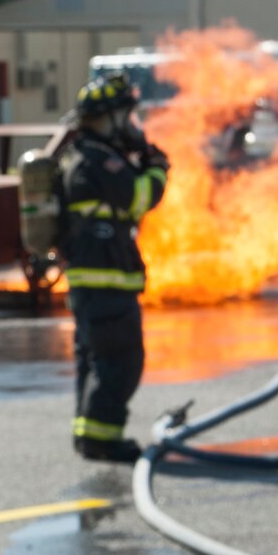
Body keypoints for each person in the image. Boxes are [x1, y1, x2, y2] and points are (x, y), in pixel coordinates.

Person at [60, 71, 170, 465]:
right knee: (121, 361)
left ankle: (89, 435)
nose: (131, 125)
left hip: (91, 282)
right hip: (107, 281)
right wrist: (157, 167)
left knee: (95, 362)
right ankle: (103, 440)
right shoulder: (101, 162)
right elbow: (140, 198)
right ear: (108, 118)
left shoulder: (83, 156)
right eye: (126, 116)